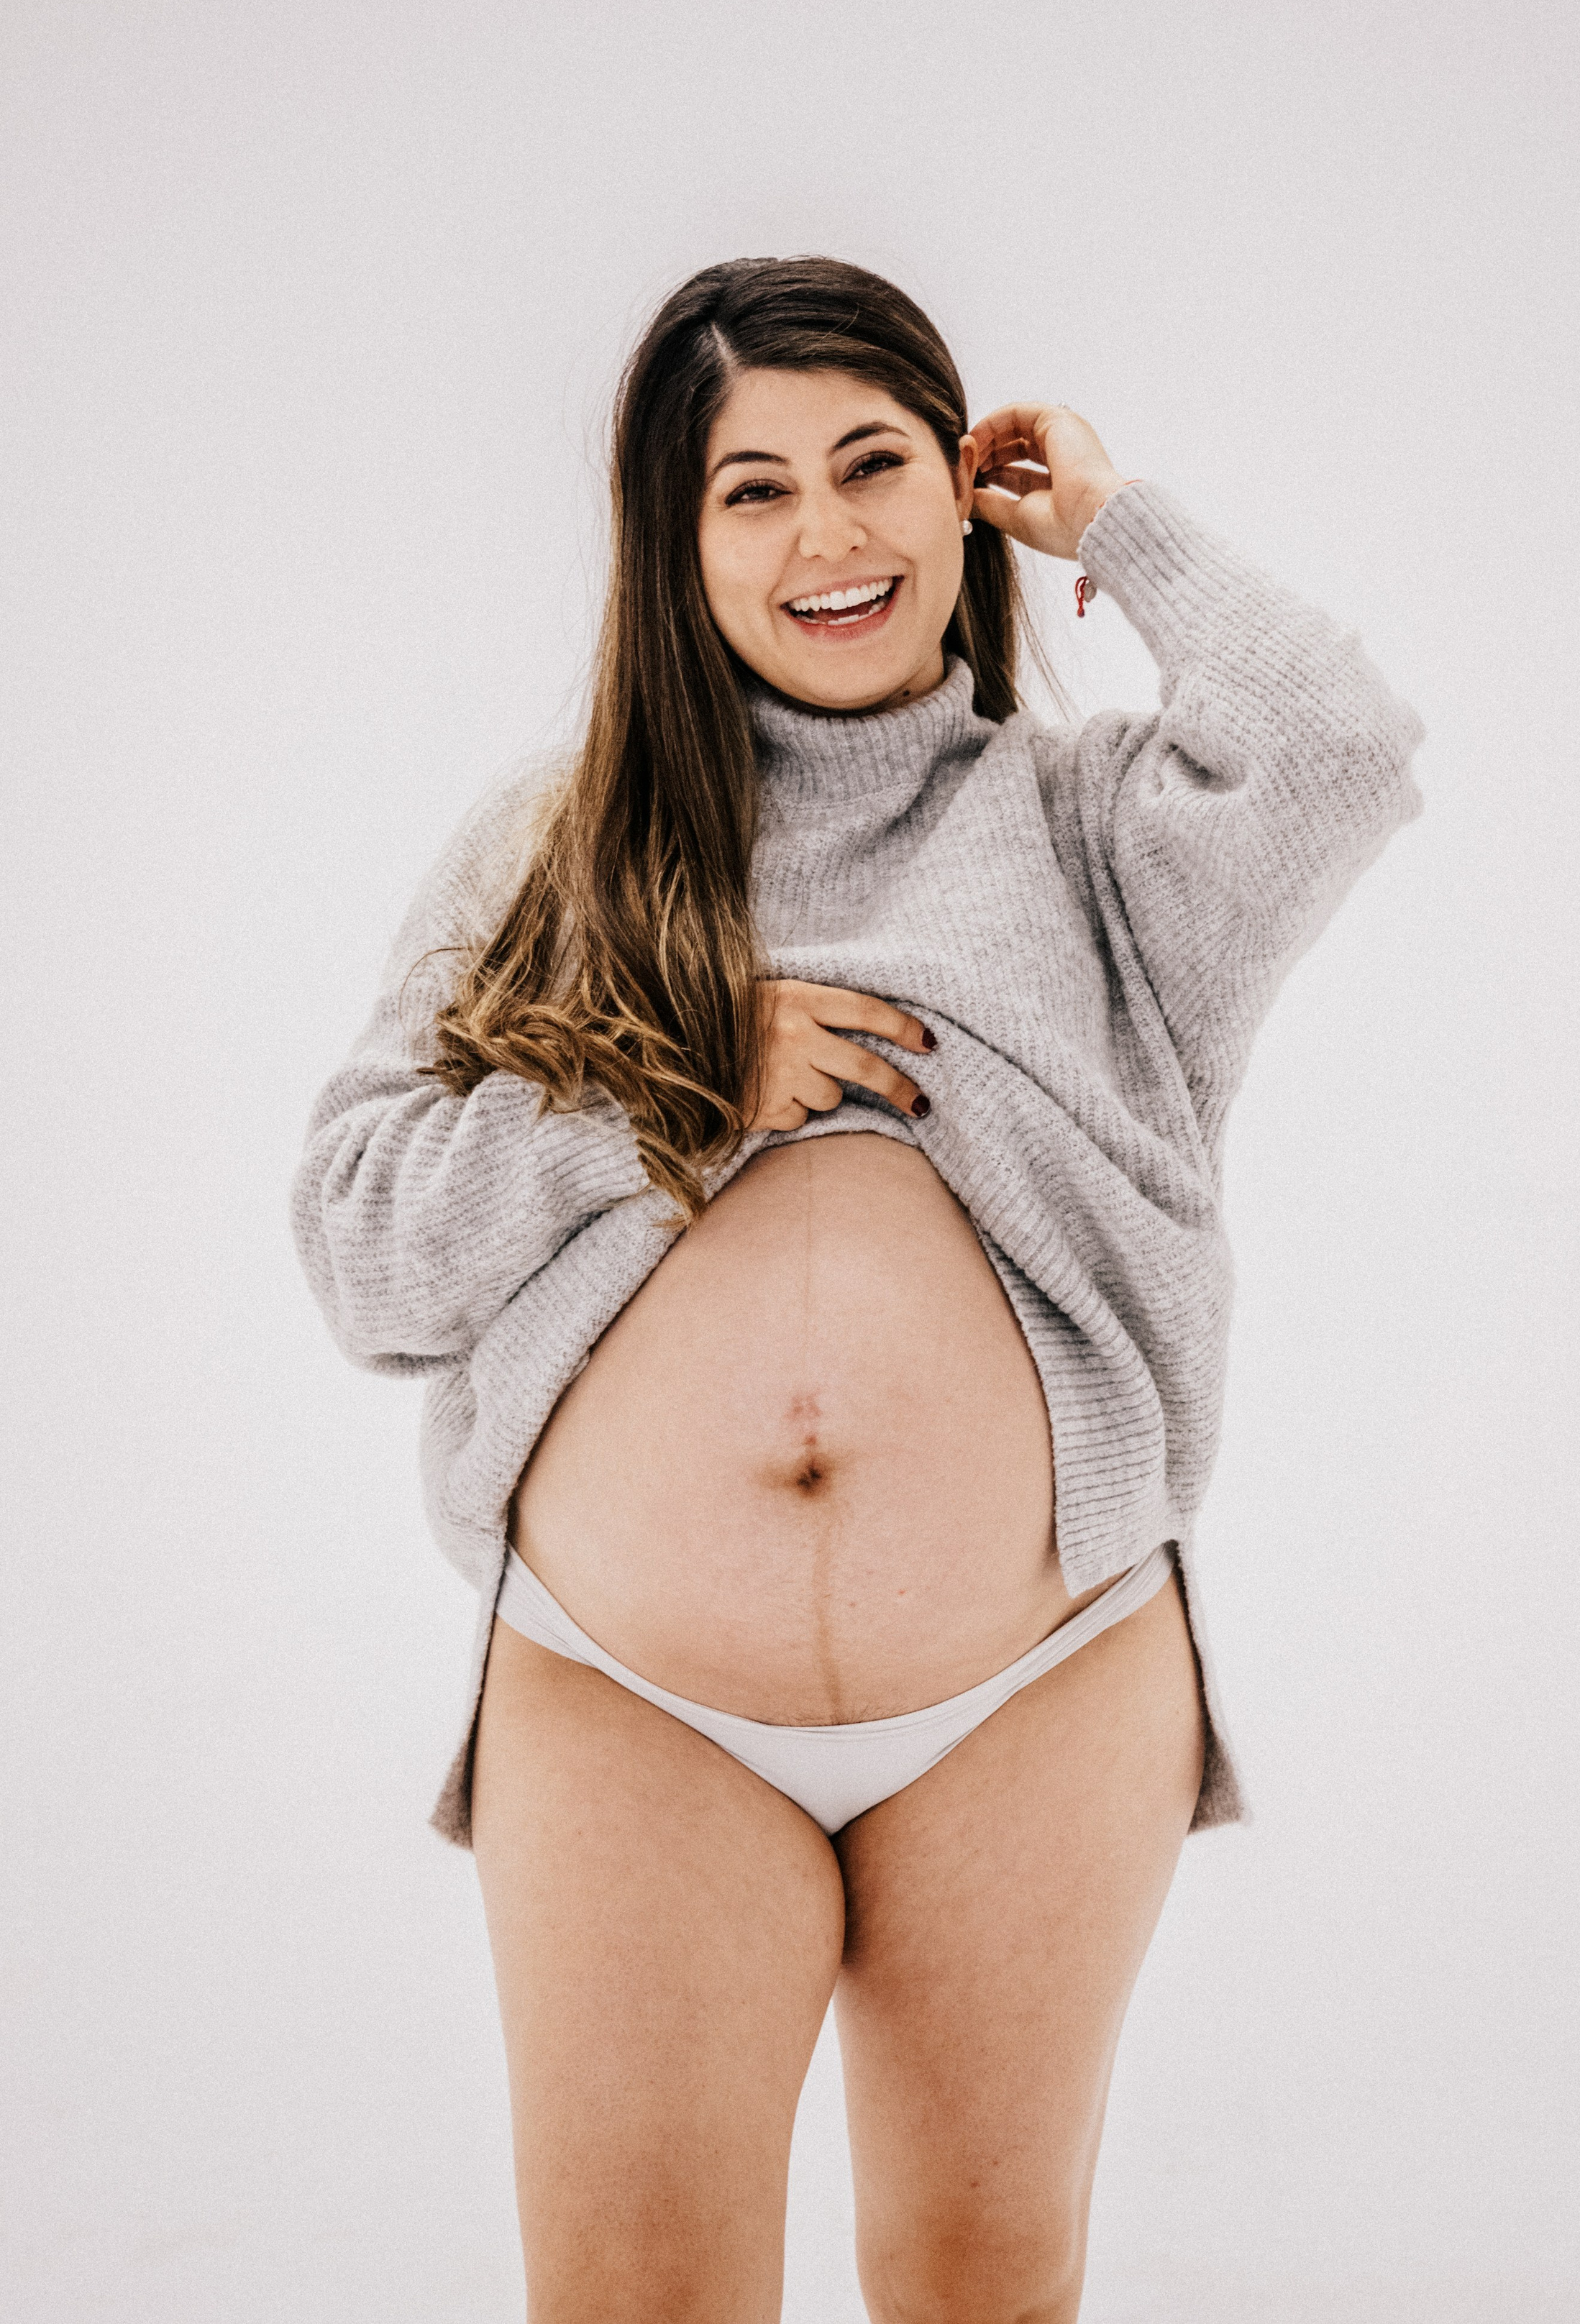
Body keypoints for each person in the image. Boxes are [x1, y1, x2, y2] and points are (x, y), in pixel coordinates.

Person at [291, 255, 1425, 2324]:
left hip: (1043, 1683)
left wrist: (1118, 527)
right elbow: (363, 1244)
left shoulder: (1098, 838)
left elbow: (1339, 752)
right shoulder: (562, 853)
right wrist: (671, 1086)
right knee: (635, 2294)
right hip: (630, 1693)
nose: (827, 535)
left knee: (986, 2284)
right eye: (752, 489)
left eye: (874, 464)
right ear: (676, 540)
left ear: (955, 488)